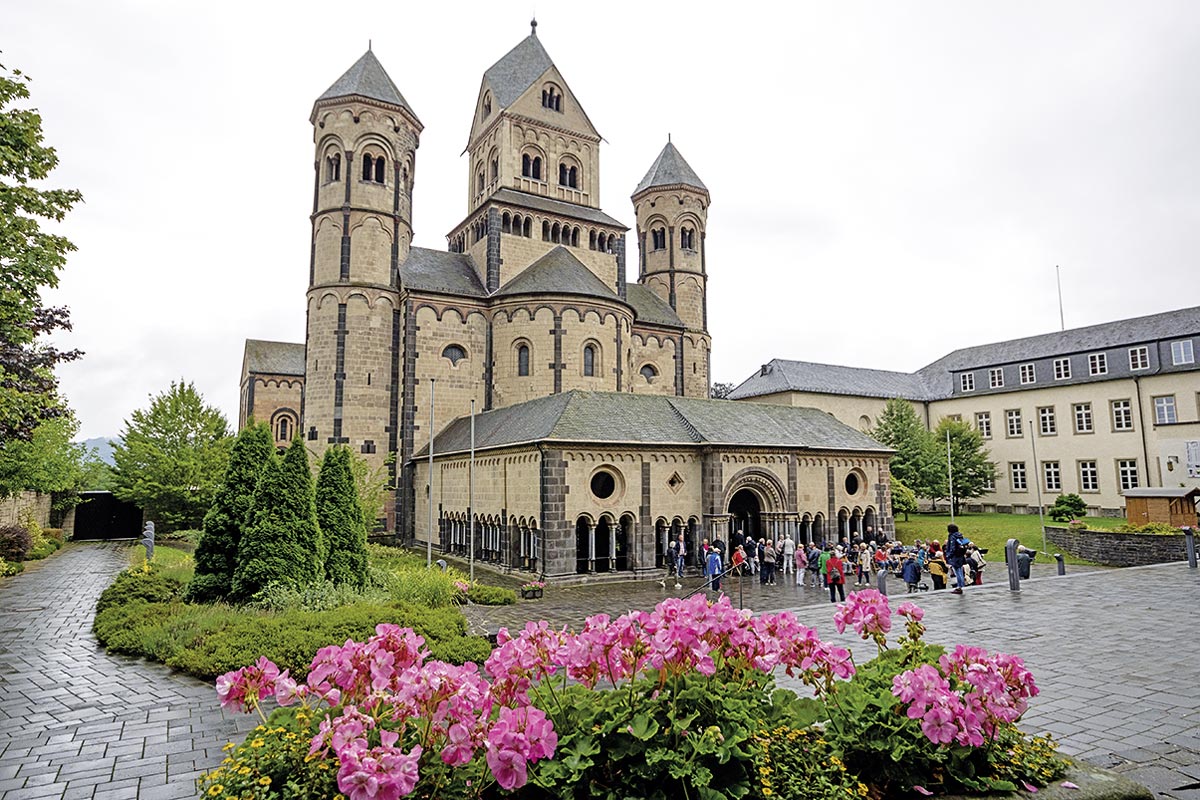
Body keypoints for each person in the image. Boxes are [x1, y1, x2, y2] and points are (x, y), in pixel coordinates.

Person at [945, 524, 968, 594]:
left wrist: (949, 555)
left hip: (955, 557)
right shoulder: (959, 535)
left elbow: (952, 547)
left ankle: (959, 587)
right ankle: (962, 586)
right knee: (960, 571)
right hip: (960, 556)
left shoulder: (952, 537)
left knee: (957, 572)